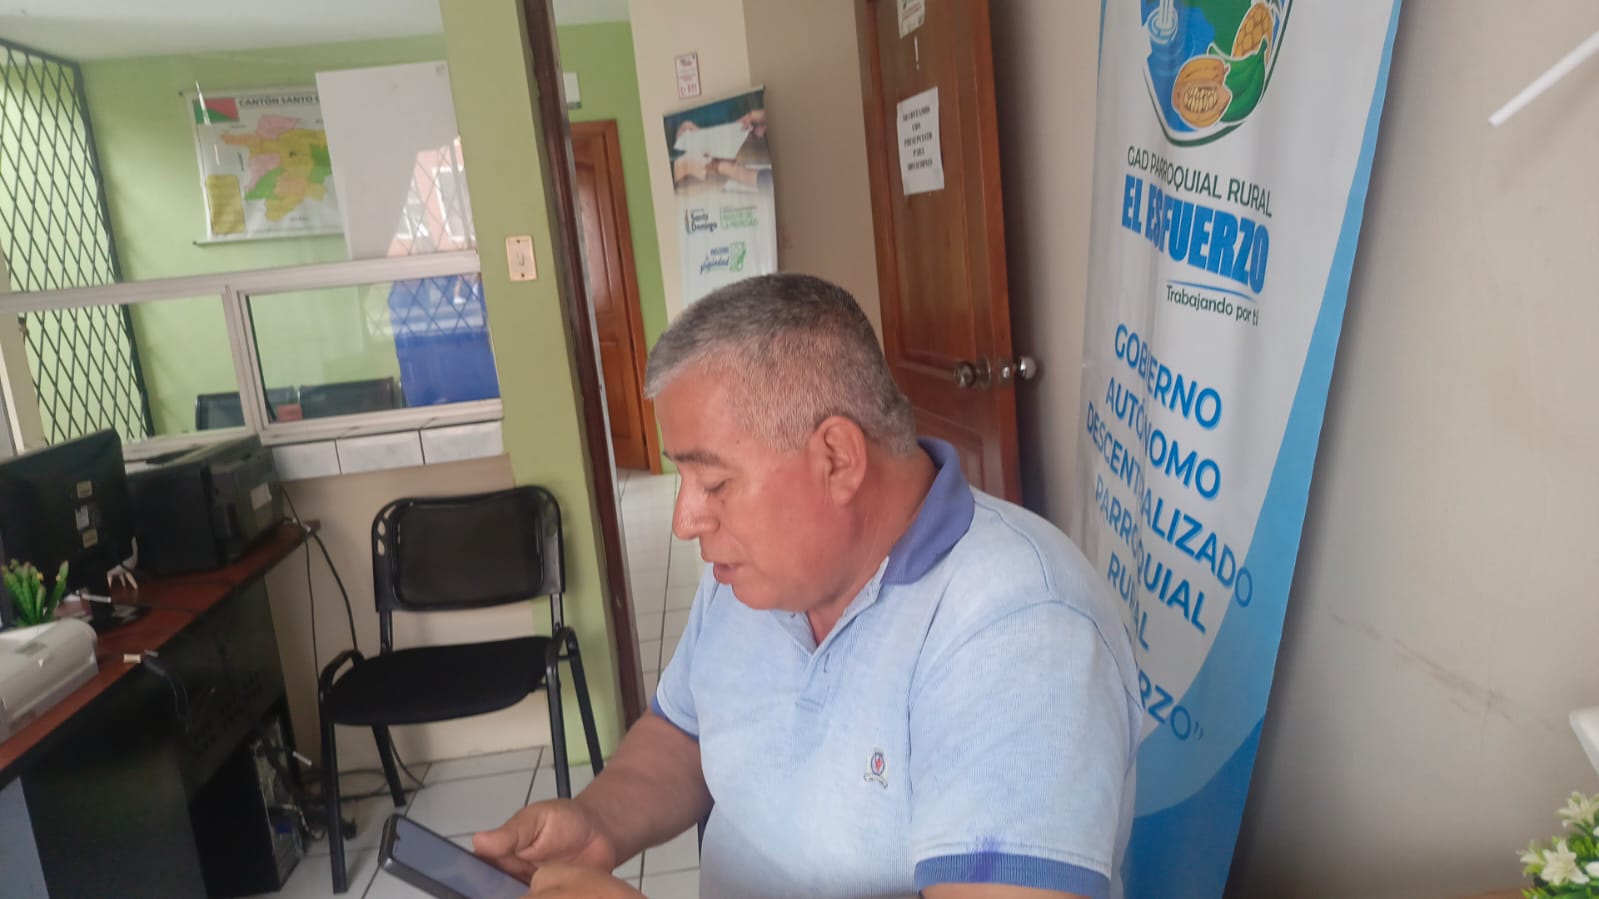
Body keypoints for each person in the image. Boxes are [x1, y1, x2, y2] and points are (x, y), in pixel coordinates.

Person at [474, 274, 1142, 899]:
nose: (685, 520)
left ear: (837, 459)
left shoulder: (1022, 629)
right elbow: (685, 732)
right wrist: (598, 821)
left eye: (714, 482)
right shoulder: (746, 579)